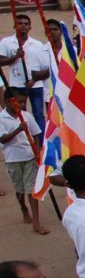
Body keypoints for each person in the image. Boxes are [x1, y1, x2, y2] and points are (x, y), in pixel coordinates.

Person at [0, 89, 47, 235]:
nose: (22, 105)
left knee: (31, 190)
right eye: (18, 101)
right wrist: (19, 129)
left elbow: (36, 134)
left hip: (29, 157)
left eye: (23, 101)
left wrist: (38, 151)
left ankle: (36, 222)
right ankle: (23, 208)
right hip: (13, 159)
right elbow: (3, 139)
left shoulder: (27, 116)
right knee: (20, 190)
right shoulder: (2, 118)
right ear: (8, 101)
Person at [0, 13, 52, 133]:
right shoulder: (6, 42)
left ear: (30, 27)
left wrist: (34, 80)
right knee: (20, 114)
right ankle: (25, 138)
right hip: (17, 86)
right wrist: (15, 57)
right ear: (15, 26)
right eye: (20, 24)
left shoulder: (37, 45)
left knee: (38, 113)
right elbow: (1, 61)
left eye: (26, 24)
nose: (23, 26)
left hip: (36, 86)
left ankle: (41, 139)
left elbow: (46, 69)